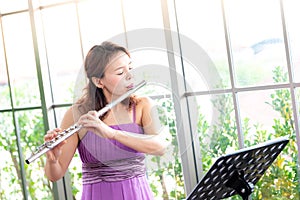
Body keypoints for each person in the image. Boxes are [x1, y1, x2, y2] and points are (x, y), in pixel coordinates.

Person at [44, 41, 168, 200]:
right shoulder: (77, 114)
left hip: (137, 194)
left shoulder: (143, 105)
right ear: (98, 81)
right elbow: (55, 175)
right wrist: (52, 160)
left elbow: (160, 147)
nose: (130, 75)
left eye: (130, 68)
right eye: (120, 72)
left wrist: (111, 133)